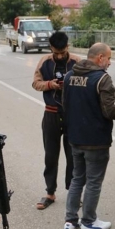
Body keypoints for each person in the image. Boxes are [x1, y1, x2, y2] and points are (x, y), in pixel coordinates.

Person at [61, 43, 115, 229]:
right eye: (109, 58)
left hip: (74, 137)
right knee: (94, 181)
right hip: (96, 140)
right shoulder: (102, 79)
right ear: (100, 58)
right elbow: (108, 110)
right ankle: (88, 220)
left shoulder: (69, 76)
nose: (110, 63)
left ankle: (70, 220)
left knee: (77, 178)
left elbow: (65, 104)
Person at [32, 32, 80, 210]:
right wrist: (49, 85)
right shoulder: (45, 61)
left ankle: (73, 193)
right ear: (51, 48)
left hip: (72, 116)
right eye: (56, 52)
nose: (59, 56)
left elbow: (86, 83)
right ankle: (50, 193)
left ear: (68, 46)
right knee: (50, 156)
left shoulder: (77, 62)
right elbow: (36, 83)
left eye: (62, 52)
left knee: (73, 157)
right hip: (51, 114)